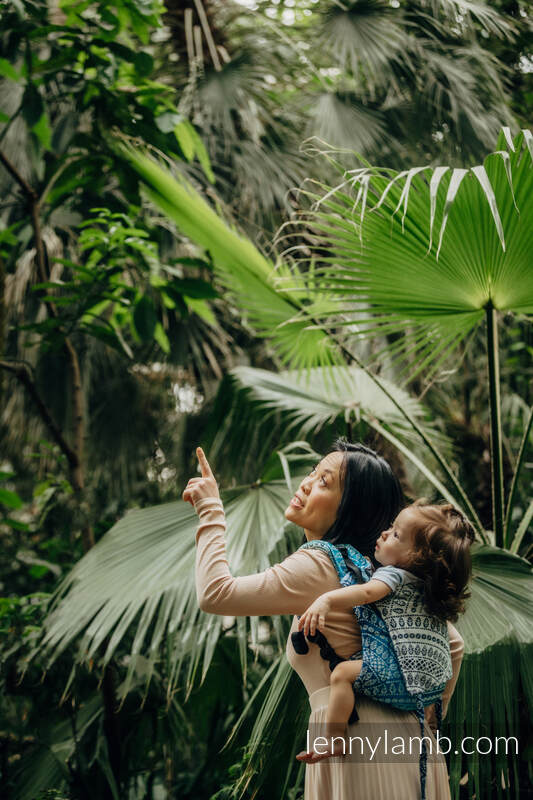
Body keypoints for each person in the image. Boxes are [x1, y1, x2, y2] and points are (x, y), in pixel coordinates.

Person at [184, 440, 465, 800]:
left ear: (351, 507)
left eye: (324, 482)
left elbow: (215, 593)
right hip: (415, 750)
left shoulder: (320, 563)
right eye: (312, 473)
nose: (305, 483)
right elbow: (453, 646)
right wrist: (425, 718)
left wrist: (210, 510)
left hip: (356, 744)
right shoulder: (387, 573)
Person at [293, 502, 473, 765]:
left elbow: (367, 593)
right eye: (391, 527)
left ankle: (334, 737)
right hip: (425, 692)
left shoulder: (394, 576)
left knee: (342, 674)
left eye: (397, 535)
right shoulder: (427, 594)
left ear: (418, 557)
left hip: (398, 679)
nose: (385, 533)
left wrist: (327, 601)